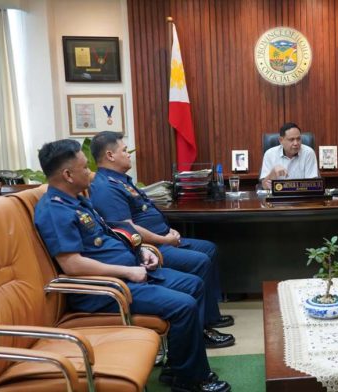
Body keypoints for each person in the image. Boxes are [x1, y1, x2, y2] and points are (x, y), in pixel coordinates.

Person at [34, 139, 231, 392]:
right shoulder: (55, 210)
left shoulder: (78, 200)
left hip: (132, 273)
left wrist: (141, 251)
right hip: (107, 289)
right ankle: (190, 381)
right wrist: (128, 270)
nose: (90, 172)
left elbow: (109, 237)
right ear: (68, 174)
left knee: (193, 284)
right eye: (84, 168)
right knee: (184, 305)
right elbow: (72, 264)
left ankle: (177, 368)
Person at [88, 132, 235, 353]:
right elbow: (128, 229)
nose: (129, 155)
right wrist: (164, 238)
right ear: (110, 155)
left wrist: (168, 231)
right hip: (153, 247)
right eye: (124, 151)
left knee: (208, 248)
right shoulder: (106, 187)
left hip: (164, 238)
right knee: (200, 260)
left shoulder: (121, 180)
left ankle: (210, 317)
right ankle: (202, 329)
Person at [260, 122, 318, 190]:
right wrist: (272, 174)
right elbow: (264, 186)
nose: (296, 143)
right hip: (278, 198)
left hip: (302, 196)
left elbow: (312, 185)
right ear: (281, 140)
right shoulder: (270, 154)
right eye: (291, 139)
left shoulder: (308, 153)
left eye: (298, 139)